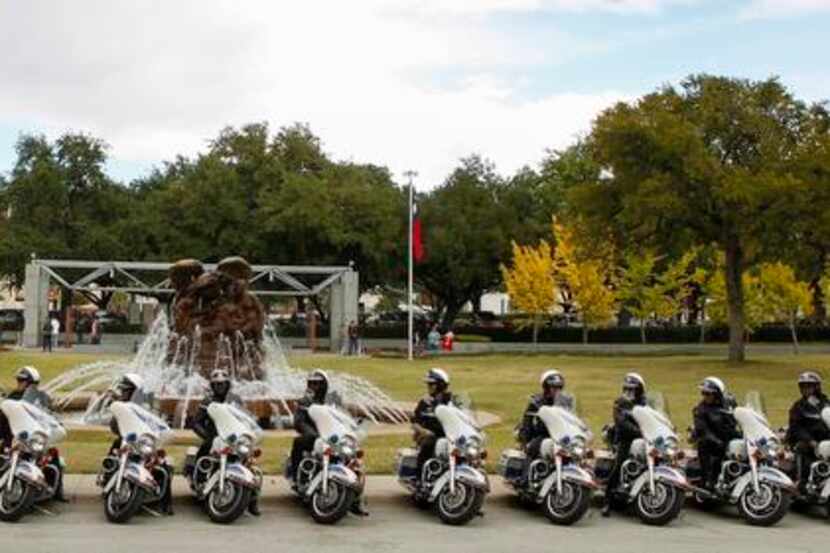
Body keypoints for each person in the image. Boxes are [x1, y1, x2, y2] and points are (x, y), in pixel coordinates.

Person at [191, 368, 258, 515]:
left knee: (249, 461)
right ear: (212, 385)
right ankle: (199, 482)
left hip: (234, 438)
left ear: (228, 385)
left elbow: (245, 418)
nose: (219, 387)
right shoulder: (207, 400)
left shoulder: (236, 400)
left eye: (222, 384)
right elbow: (196, 422)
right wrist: (207, 436)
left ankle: (253, 499)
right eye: (216, 384)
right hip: (215, 436)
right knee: (204, 451)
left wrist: (249, 431)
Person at [106, 373, 173, 515]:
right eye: (123, 390)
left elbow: (157, 420)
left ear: (135, 392)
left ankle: (167, 502)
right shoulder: (122, 407)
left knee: (164, 463)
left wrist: (162, 429)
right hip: (127, 438)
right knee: (114, 450)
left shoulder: (147, 406)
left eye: (127, 391)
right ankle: (108, 481)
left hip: (144, 441)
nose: (124, 393)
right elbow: (113, 426)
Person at [0, 367, 65, 501]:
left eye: (23, 381)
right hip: (14, 436)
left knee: (53, 454)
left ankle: (57, 491)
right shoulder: (12, 397)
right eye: (19, 380)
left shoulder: (42, 398)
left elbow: (51, 414)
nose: (20, 383)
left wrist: (57, 420)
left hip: (34, 438)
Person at [602, 372, 648, 517]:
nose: (628, 392)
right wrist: (640, 432)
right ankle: (607, 501)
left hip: (644, 438)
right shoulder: (619, 403)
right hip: (624, 439)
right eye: (626, 388)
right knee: (619, 464)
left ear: (639, 390)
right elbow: (621, 423)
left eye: (632, 389)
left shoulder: (645, 403)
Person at [692, 377, 740, 491]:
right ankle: (708, 480)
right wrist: (717, 442)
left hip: (731, 437)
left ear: (718, 394)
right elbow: (702, 430)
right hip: (713, 440)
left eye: (708, 394)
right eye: (703, 393)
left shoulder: (730, 402)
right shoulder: (700, 409)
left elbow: (740, 416)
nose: (705, 396)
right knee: (705, 444)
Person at [786, 371, 830, 493]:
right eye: (803, 386)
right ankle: (800, 482)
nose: (806, 389)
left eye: (809, 386)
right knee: (802, 448)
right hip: (806, 440)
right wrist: (810, 440)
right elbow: (795, 427)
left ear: (817, 387)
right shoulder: (798, 406)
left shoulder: (826, 403)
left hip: (825, 440)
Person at [518, 370, 572, 463]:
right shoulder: (537, 401)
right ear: (546, 387)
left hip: (562, 437)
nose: (556, 390)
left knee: (579, 454)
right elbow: (527, 422)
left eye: (559, 387)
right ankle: (526, 476)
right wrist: (525, 441)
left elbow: (573, 418)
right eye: (553, 387)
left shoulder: (565, 402)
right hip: (543, 435)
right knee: (532, 449)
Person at [412, 368, 455, 483]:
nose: (429, 387)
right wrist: (423, 431)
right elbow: (414, 422)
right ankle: (420, 479)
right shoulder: (425, 402)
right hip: (431, 436)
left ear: (440, 385)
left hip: (451, 435)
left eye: (432, 384)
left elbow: (465, 416)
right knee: (428, 444)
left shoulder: (453, 401)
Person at [287, 370, 330, 482]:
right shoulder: (304, 401)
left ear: (324, 385)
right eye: (311, 383)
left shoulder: (333, 400)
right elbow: (299, 421)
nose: (314, 386)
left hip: (330, 434)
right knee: (299, 442)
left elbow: (342, 415)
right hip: (313, 435)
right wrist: (310, 432)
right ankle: (297, 476)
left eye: (317, 383)